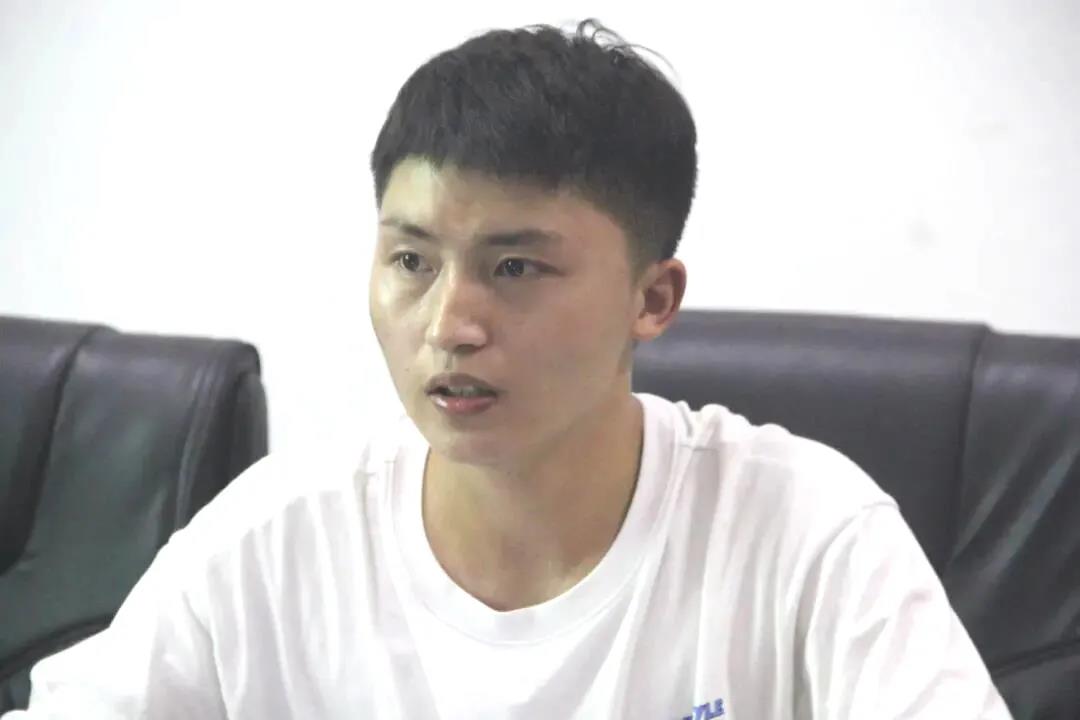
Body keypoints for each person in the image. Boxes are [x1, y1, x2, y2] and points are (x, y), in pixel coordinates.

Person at [7, 18, 1013, 720]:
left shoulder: (808, 532)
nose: (450, 325)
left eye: (515, 268)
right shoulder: (271, 542)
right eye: (412, 262)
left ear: (652, 299)